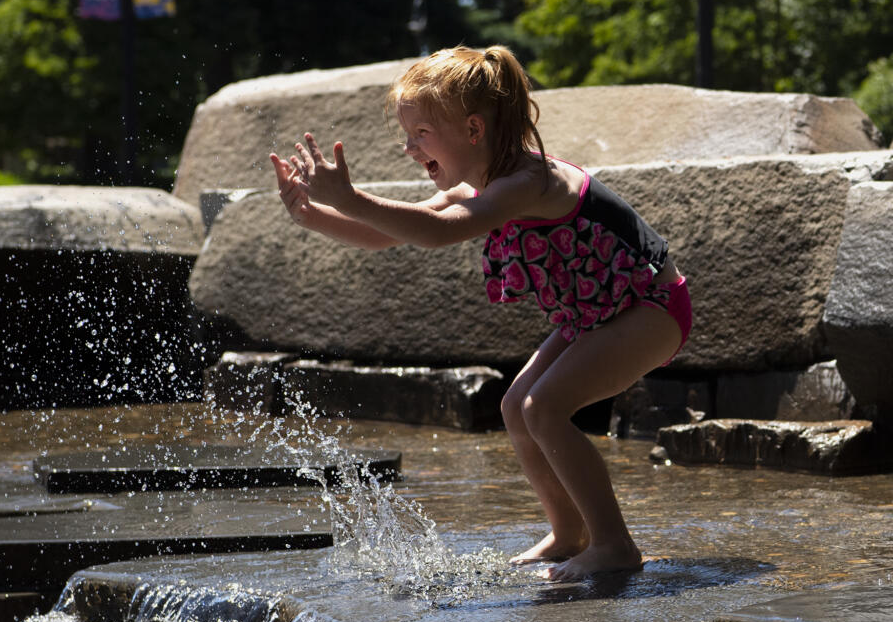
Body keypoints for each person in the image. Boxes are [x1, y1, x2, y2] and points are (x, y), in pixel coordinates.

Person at [269, 46, 692, 582]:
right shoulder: (481, 185)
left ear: (473, 129)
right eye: (406, 135)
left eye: (420, 134)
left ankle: (614, 544)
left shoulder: (527, 182)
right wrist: (315, 215)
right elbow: (391, 231)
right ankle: (569, 533)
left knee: (544, 407)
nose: (408, 147)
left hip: (651, 305)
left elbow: (438, 232)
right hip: (603, 312)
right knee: (517, 405)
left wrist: (350, 197)